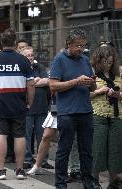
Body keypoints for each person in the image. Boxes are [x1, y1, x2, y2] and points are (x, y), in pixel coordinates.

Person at [49, 29, 100, 189]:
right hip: (67, 112)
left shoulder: (85, 60)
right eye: (77, 45)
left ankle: (88, 182)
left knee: (87, 151)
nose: (81, 49)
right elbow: (53, 85)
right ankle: (60, 184)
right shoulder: (59, 59)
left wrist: (91, 82)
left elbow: (92, 89)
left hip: (85, 111)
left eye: (83, 46)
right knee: (64, 150)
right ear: (68, 44)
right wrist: (75, 81)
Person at [0, 28, 35, 180]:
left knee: (1, 135)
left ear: (1, 42)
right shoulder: (24, 61)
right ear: (14, 42)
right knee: (20, 135)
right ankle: (20, 170)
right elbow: (31, 85)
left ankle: (0, 169)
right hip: (18, 103)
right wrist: (29, 103)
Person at [90, 42, 122, 188]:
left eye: (110, 62)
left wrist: (118, 94)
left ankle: (114, 180)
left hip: (117, 116)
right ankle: (94, 179)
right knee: (98, 147)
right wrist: (99, 91)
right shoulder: (92, 74)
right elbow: (84, 95)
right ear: (98, 60)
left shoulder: (119, 73)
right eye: (104, 62)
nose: (107, 65)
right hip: (98, 115)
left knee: (115, 149)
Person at [20, 46, 54, 170]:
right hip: (27, 107)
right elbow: (22, 84)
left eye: (32, 55)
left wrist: (32, 83)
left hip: (42, 107)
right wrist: (36, 81)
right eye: (27, 55)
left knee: (43, 136)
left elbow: (48, 81)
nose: (30, 57)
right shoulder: (20, 68)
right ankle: (27, 160)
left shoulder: (39, 67)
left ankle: (43, 160)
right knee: (27, 136)